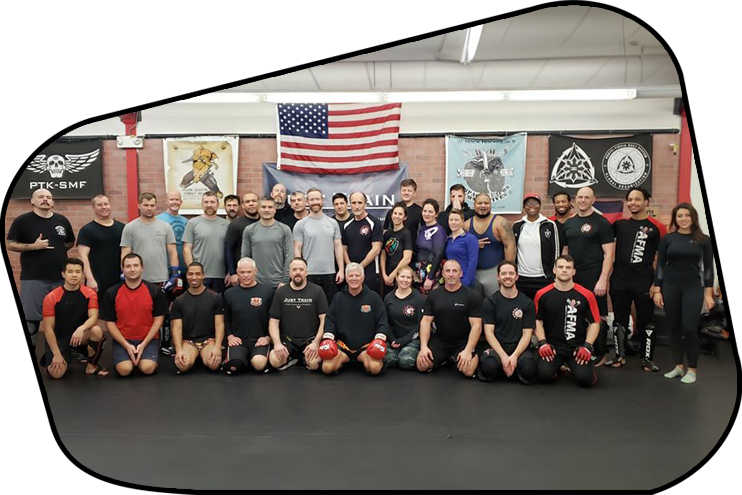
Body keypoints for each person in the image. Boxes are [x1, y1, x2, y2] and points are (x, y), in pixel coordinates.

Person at [654, 203, 715, 385]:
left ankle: (692, 369)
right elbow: (660, 266)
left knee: (689, 328)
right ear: (675, 219)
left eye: (686, 215)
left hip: (693, 288)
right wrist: (657, 289)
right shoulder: (668, 239)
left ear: (693, 217)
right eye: (679, 216)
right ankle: (678, 366)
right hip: (670, 287)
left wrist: (708, 293)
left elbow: (709, 269)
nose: (683, 219)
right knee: (673, 327)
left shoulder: (703, 240)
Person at [6, 188, 75, 346]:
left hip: (60, 279)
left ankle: (61, 353)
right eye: (41, 197)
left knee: (61, 317)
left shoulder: (61, 220)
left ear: (52, 202)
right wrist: (33, 246)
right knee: (31, 319)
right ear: (32, 201)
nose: (45, 199)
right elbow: (10, 244)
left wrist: (57, 251)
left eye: (48, 197)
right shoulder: (22, 221)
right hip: (33, 278)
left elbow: (70, 242)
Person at [607, 188, 667, 371]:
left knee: (646, 321)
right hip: (619, 280)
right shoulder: (619, 225)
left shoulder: (658, 227)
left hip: (644, 281)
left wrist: (657, 285)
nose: (633, 203)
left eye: (637, 199)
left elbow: (663, 260)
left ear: (646, 202)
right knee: (619, 320)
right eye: (630, 199)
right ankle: (619, 356)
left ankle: (647, 359)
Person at [562, 186, 614, 364]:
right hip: (573, 276)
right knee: (574, 313)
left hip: (594, 275)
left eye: (587, 197)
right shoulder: (569, 223)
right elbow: (565, 251)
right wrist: (563, 274)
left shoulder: (602, 222)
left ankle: (599, 354)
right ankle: (576, 351)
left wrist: (603, 279)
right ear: (575, 200)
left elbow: (609, 254)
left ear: (593, 200)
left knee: (597, 316)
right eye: (580, 197)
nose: (583, 200)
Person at [533, 255, 600, 388]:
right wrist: (542, 342)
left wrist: (587, 346)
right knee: (543, 376)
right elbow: (537, 321)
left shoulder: (586, 295)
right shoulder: (542, 294)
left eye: (568, 267)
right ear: (554, 270)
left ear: (573, 271)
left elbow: (595, 322)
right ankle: (558, 368)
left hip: (577, 348)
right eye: (561, 267)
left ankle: (582, 370)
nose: (564, 270)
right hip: (553, 348)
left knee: (585, 380)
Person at [100, 253, 169, 377]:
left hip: (148, 340)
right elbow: (109, 323)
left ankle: (148, 359)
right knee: (124, 370)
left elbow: (158, 320)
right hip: (123, 340)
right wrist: (126, 345)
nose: (132, 269)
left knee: (147, 368)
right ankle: (128, 358)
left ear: (142, 268)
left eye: (136, 265)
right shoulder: (112, 292)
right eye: (128, 266)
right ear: (123, 269)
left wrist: (143, 344)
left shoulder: (155, 291)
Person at [318, 263, 391, 376]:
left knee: (375, 368)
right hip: (343, 346)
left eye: (357, 275)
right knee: (327, 368)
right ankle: (346, 361)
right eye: (351, 276)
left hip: (366, 347)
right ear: (346, 278)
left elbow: (382, 322)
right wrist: (328, 338)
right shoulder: (338, 297)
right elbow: (330, 320)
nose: (354, 278)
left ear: (363, 277)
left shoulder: (373, 297)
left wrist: (379, 339)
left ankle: (362, 361)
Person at [41, 258, 107, 378]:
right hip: (59, 338)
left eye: (77, 272)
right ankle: (61, 355)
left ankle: (91, 367)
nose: (74, 275)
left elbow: (94, 317)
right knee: (56, 374)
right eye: (70, 272)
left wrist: (82, 328)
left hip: (79, 337)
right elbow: (48, 328)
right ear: (63, 274)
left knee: (96, 331)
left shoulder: (89, 293)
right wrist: (56, 354)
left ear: (82, 274)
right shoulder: (51, 297)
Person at [416, 260, 482, 378]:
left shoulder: (472, 296)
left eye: (454, 271)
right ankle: (446, 358)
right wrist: (424, 347)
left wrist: (468, 350)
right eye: (447, 271)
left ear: (460, 274)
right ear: (443, 273)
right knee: (421, 366)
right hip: (440, 341)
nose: (451, 274)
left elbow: (477, 325)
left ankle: (467, 355)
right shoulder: (434, 295)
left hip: (462, 342)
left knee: (468, 371)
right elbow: (426, 321)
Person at [478, 261, 537, 383]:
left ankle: (512, 365)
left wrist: (514, 356)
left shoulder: (527, 303)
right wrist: (504, 357)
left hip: (519, 348)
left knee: (529, 370)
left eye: (511, 273)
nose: (507, 276)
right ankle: (504, 365)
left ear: (517, 276)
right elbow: (489, 333)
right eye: (503, 273)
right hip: (496, 347)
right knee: (488, 368)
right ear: (498, 277)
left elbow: (527, 334)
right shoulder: (490, 302)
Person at [268, 258, 328, 371]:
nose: (298, 272)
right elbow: (273, 321)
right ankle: (291, 358)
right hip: (288, 340)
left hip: (310, 340)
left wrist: (316, 343)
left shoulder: (317, 291)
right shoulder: (281, 292)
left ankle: (305, 359)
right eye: (294, 269)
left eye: (301, 269)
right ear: (289, 272)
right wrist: (277, 344)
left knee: (314, 364)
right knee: (274, 361)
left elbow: (324, 320)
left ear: (306, 272)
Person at [170, 262, 225, 374]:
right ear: (186, 276)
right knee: (183, 366)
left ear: (203, 275)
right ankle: (193, 355)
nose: (194, 277)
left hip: (209, 341)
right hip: (188, 341)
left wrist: (217, 347)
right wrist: (179, 350)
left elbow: (219, 324)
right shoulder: (179, 301)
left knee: (213, 365)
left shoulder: (215, 298)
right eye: (190, 274)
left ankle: (204, 355)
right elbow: (176, 328)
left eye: (197, 274)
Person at [222, 258, 274, 374]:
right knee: (234, 367)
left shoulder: (267, 291)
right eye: (242, 272)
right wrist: (230, 336)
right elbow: (226, 318)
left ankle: (256, 359)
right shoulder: (229, 294)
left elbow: (274, 318)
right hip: (238, 340)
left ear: (255, 271)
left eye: (249, 272)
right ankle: (241, 359)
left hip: (260, 340)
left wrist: (268, 337)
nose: (246, 275)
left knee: (259, 364)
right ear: (237, 272)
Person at [294, 188, 345, 304]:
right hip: (309, 274)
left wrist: (341, 270)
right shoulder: (300, 224)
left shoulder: (332, 223)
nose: (315, 202)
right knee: (310, 308)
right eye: (312, 199)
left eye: (317, 199)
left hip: (330, 273)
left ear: (322, 200)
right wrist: (301, 271)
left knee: (329, 308)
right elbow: (297, 249)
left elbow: (338, 247)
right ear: (307, 202)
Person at [463, 192, 516, 296]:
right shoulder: (466, 225)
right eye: (480, 203)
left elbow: (510, 246)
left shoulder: (500, 222)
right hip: (473, 273)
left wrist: (506, 272)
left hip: (494, 272)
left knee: (495, 305)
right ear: (474, 205)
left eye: (486, 203)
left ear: (491, 205)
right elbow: (460, 248)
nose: (483, 206)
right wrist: (473, 245)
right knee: (475, 307)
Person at [512, 193, 563, 300]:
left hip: (543, 277)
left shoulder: (550, 225)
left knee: (543, 310)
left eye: (534, 203)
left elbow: (556, 250)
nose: (531, 206)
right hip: (521, 278)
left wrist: (554, 273)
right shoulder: (517, 226)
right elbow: (512, 250)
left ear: (540, 205)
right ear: (524, 207)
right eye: (528, 203)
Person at [121, 192, 179, 286]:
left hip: (161, 277)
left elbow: (173, 252)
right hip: (138, 278)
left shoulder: (166, 227)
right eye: (146, 205)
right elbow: (125, 253)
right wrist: (123, 271)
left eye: (152, 205)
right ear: (139, 206)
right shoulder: (130, 227)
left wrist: (175, 273)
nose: (149, 208)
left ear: (156, 206)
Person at [77, 194, 126, 296]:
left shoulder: (122, 228)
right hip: (97, 281)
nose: (104, 207)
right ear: (93, 208)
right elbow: (83, 257)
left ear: (110, 205)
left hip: (119, 280)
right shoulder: (87, 230)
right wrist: (90, 279)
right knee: (97, 311)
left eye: (106, 204)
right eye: (99, 205)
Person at [183, 191, 230, 292]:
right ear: (202, 204)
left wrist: (230, 272)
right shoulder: (193, 223)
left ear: (218, 204)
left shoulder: (226, 224)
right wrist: (193, 273)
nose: (209, 205)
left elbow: (231, 250)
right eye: (206, 202)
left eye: (212, 202)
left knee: (218, 306)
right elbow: (187, 249)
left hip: (220, 275)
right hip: (200, 276)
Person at [241, 197, 293, 289]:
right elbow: (245, 257)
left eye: (270, 207)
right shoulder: (249, 230)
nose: (266, 210)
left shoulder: (284, 229)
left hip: (278, 284)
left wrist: (285, 280)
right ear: (258, 209)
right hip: (255, 283)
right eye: (263, 207)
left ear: (275, 209)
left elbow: (289, 256)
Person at [341, 191, 383, 294]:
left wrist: (360, 267)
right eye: (354, 203)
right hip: (352, 274)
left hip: (370, 272)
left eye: (359, 203)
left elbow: (376, 249)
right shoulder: (347, 225)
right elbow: (343, 248)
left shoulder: (374, 222)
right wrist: (351, 267)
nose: (356, 206)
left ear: (365, 204)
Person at [383, 266, 424, 370]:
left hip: (411, 339)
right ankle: (396, 353)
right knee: (388, 360)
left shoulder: (418, 298)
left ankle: (404, 353)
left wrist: (403, 341)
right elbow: (385, 322)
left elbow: (420, 324)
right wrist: (392, 339)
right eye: (402, 277)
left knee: (406, 362)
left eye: (408, 277)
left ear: (412, 279)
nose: (405, 280)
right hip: (393, 339)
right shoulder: (388, 298)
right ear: (396, 277)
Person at [225, 191, 260, 285]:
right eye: (248, 202)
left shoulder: (266, 222)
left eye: (254, 201)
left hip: (263, 273)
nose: (251, 203)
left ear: (259, 203)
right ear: (243, 206)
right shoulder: (236, 225)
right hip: (242, 275)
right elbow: (228, 249)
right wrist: (232, 273)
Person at [414, 199, 446, 294]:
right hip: (419, 271)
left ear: (436, 214)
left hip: (431, 271)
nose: (427, 214)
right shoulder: (422, 229)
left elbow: (439, 254)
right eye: (425, 211)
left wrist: (430, 277)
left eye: (430, 211)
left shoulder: (439, 230)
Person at [381, 202, 413, 292]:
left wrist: (393, 275)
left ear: (405, 217)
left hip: (400, 276)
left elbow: (407, 258)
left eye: (400, 214)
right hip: (386, 275)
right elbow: (383, 255)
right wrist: (384, 274)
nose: (397, 216)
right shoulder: (387, 234)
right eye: (395, 213)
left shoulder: (406, 234)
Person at [445, 209, 480, 289]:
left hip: (465, 282)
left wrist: (465, 282)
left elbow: (473, 261)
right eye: (451, 220)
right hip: (451, 280)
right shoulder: (449, 239)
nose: (453, 222)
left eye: (456, 220)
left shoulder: (470, 238)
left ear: (462, 221)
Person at [156, 190, 188, 274]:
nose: (175, 202)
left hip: (183, 267)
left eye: (177, 200)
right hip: (164, 267)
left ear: (181, 202)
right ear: (166, 202)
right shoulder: (158, 220)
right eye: (172, 199)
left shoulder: (186, 221)